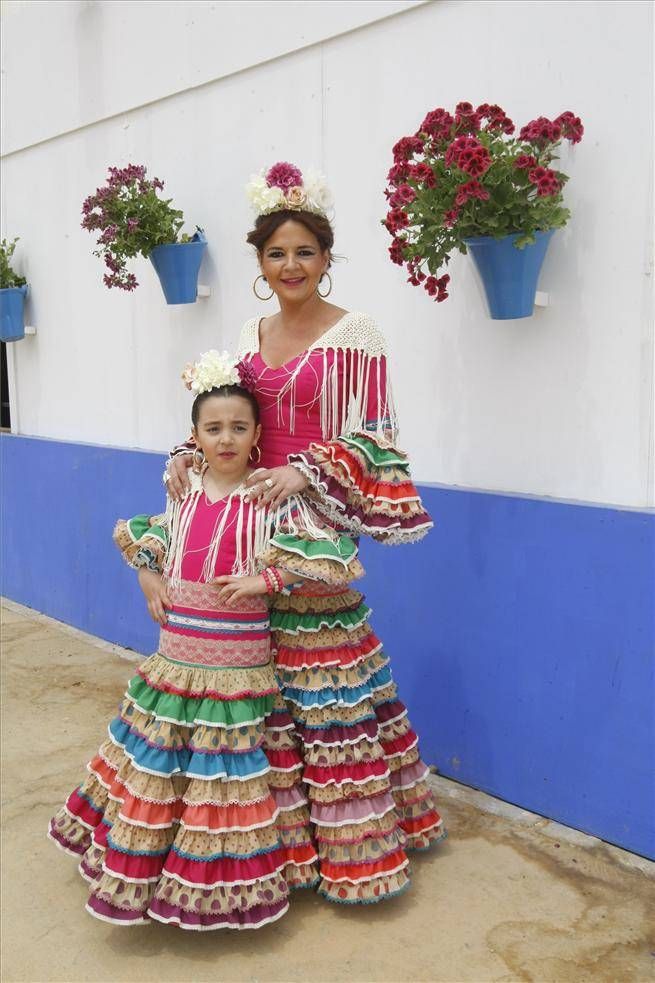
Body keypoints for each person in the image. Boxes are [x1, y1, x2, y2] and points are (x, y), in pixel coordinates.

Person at [167, 162, 446, 905]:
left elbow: (377, 436)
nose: (291, 266)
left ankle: (349, 849)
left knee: (318, 677)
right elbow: (225, 414)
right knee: (249, 675)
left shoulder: (357, 334)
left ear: (326, 257)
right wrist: (188, 455)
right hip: (246, 518)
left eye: (305, 252)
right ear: (259, 264)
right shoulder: (245, 333)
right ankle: (272, 849)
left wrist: (308, 474)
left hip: (313, 520)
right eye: (276, 253)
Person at [48, 350, 363, 929]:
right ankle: (146, 868)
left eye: (238, 428)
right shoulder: (182, 488)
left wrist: (262, 579)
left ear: (256, 435)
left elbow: (328, 556)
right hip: (176, 656)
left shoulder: (270, 495)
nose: (226, 439)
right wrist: (148, 575)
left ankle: (229, 883)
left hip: (240, 667)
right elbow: (155, 538)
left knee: (225, 777)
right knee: (164, 768)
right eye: (213, 429)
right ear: (194, 436)